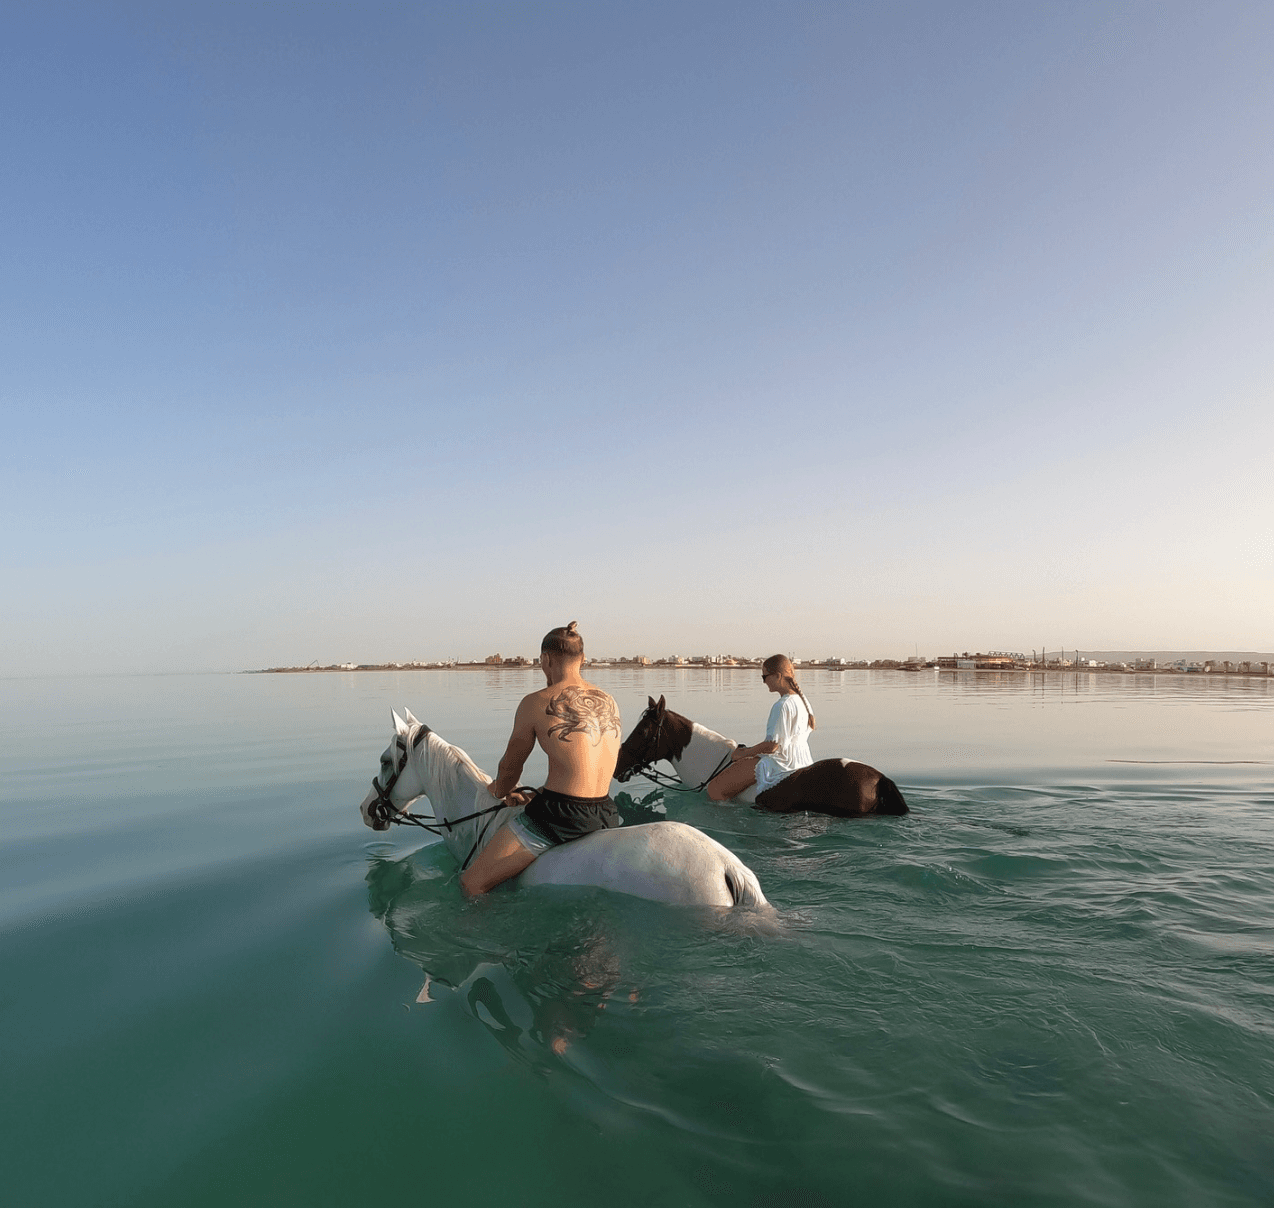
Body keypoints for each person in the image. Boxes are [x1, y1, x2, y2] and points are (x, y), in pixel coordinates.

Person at [460, 622, 622, 896]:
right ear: (582, 659)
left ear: (545, 660)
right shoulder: (609, 700)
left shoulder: (535, 702)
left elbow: (510, 767)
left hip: (562, 817)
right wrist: (541, 795)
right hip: (607, 811)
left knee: (471, 883)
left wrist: (500, 790)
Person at [706, 654, 816, 802]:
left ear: (777, 676)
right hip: (803, 760)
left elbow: (773, 746)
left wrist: (744, 753)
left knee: (715, 790)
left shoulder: (782, 705)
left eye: (765, 677)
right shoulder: (803, 701)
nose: (763, 682)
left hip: (781, 762)